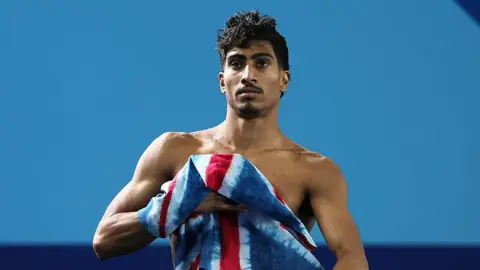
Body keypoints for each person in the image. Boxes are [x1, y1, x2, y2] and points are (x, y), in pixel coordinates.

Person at [93, 10, 369, 270]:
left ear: (283, 80)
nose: (248, 75)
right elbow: (104, 240)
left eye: (262, 62)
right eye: (237, 63)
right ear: (223, 81)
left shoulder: (315, 171)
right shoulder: (175, 151)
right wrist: (173, 205)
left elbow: (352, 259)